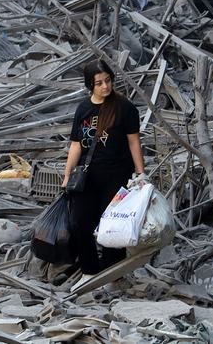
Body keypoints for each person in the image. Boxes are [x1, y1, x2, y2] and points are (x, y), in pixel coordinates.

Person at [62, 60, 145, 288]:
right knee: (79, 222)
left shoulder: (125, 108)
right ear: (90, 85)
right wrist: (67, 174)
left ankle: (113, 275)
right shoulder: (83, 109)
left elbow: (134, 143)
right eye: (99, 83)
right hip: (87, 176)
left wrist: (140, 174)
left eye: (107, 80)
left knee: (113, 226)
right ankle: (89, 271)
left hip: (117, 174)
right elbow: (76, 145)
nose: (105, 86)